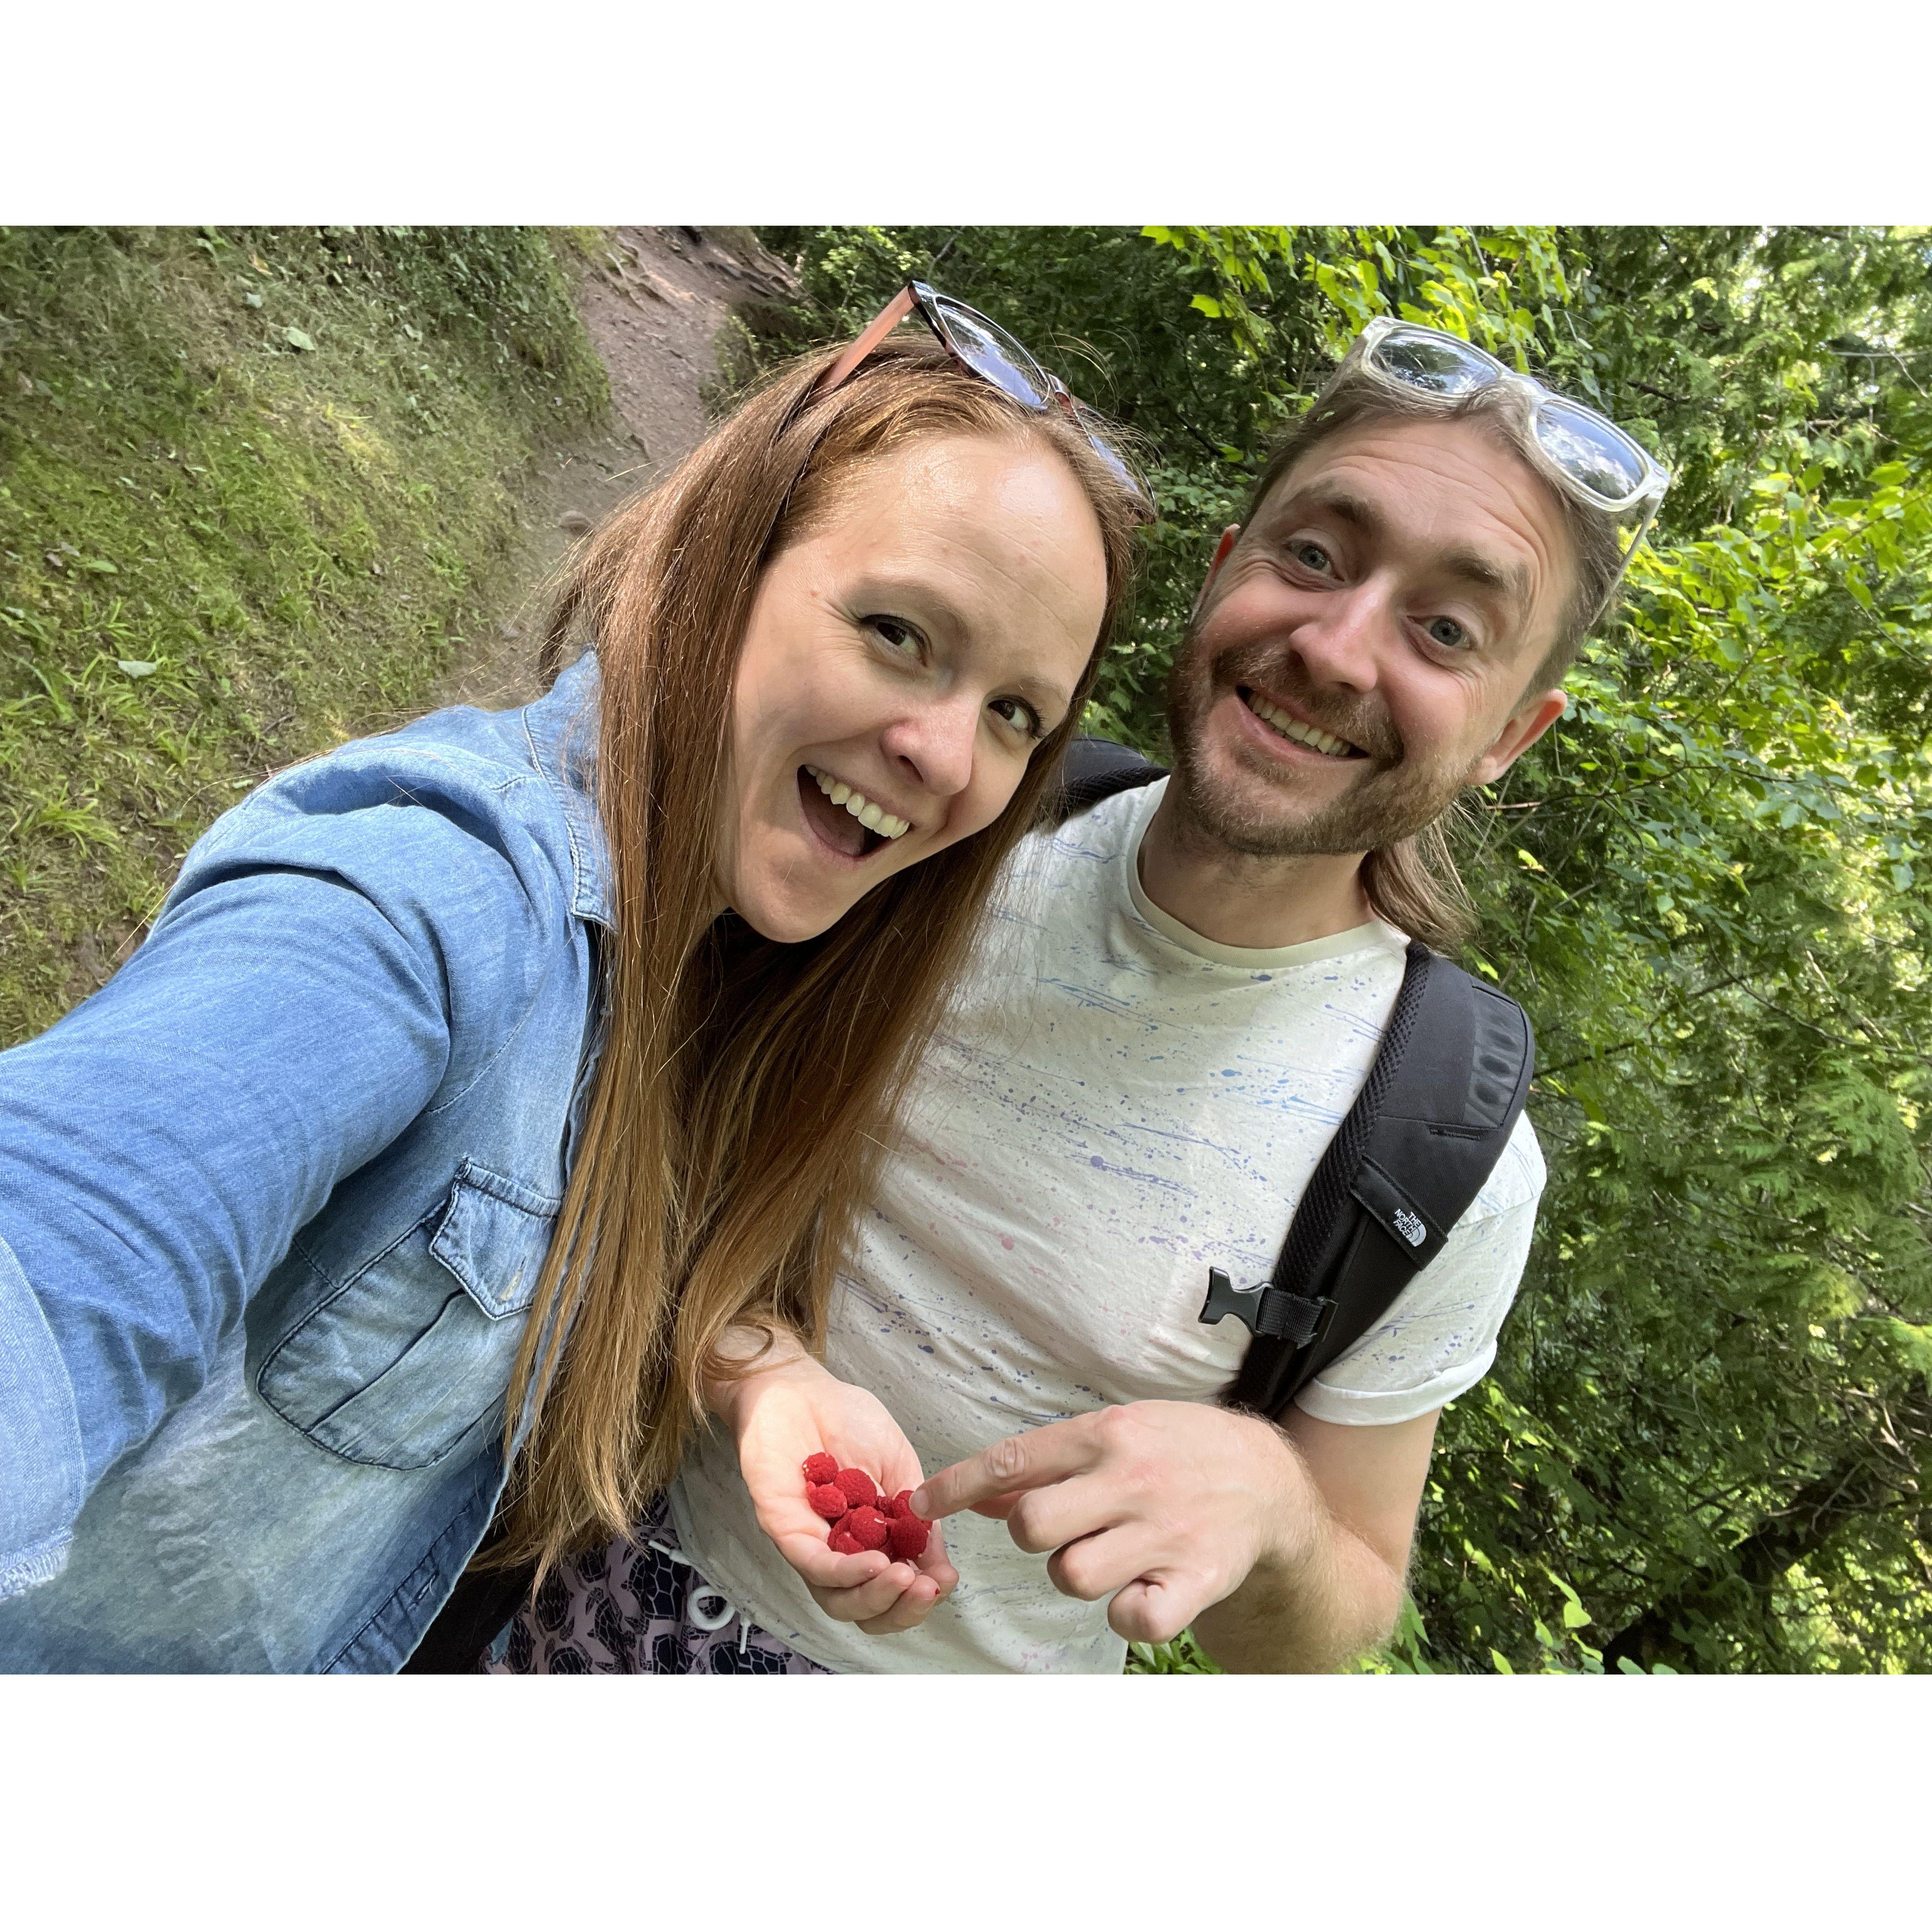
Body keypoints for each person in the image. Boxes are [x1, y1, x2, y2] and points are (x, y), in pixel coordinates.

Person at [494, 317, 1668, 1675]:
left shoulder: (1441, 1149)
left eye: (1448, 629)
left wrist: (1280, 1511)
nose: (1339, 647)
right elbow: (645, 1115)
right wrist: (751, 1362)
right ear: (1223, 572)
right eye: (1313, 555)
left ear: (1512, 734)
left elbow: (1331, 1617)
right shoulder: (934, 818)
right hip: (564, 1564)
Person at [0, 304, 1151, 1672]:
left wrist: (758, 1367)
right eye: (899, 632)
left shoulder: (724, 956)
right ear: (728, 562)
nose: (948, 755)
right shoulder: (436, 899)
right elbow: (65, 1255)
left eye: (1018, 712)